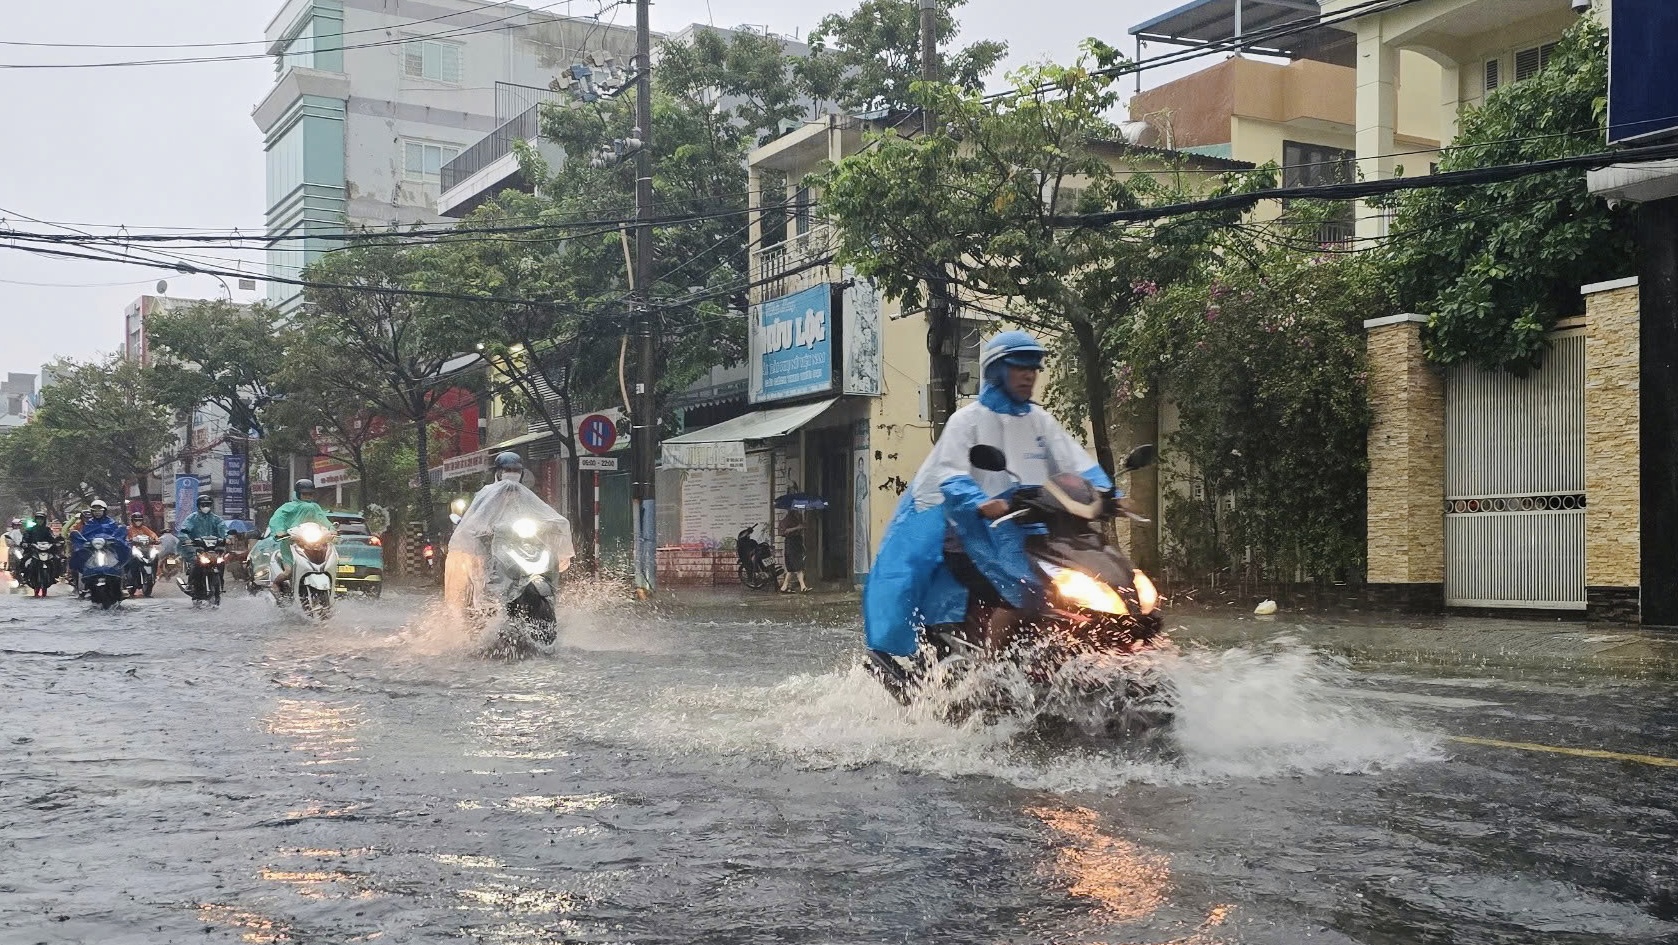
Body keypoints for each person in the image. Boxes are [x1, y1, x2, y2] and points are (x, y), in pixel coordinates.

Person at [862, 330, 1120, 657]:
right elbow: (950, 474)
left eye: (1033, 368)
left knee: (1075, 590)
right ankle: (990, 672)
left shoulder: (1040, 420)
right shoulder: (967, 421)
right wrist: (980, 502)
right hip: (975, 535)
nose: (1029, 375)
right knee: (1023, 592)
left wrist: (1110, 494)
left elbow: (1076, 463)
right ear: (997, 371)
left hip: (1032, 532)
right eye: (1019, 367)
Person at [264, 479, 335, 597]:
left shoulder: (315, 507)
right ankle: (275, 584)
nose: (308, 496)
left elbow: (323, 520)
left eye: (310, 494)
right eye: (304, 494)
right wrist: (279, 531)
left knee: (325, 567)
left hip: (313, 543)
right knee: (288, 572)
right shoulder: (288, 507)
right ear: (297, 494)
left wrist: (331, 529)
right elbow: (277, 519)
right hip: (291, 542)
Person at [70, 500, 130, 594]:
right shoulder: (89, 524)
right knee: (79, 557)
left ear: (104, 511)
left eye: (100, 510)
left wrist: (114, 540)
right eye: (95, 511)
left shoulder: (111, 523)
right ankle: (85, 585)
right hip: (92, 550)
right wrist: (83, 542)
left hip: (110, 549)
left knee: (124, 558)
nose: (97, 513)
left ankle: (123, 584)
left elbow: (118, 534)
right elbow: (84, 536)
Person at [178, 495, 229, 583]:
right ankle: (191, 584)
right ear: (199, 506)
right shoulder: (192, 518)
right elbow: (184, 530)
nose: (206, 507)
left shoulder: (216, 519)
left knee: (221, 562)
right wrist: (186, 539)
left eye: (208, 505)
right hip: (197, 548)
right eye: (203, 505)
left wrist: (227, 538)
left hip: (213, 548)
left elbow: (223, 529)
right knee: (196, 563)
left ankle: (220, 583)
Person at [21, 512, 60, 596]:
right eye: (38, 519)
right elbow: (25, 538)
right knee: (23, 559)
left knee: (57, 559)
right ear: (35, 520)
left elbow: (52, 538)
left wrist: (55, 543)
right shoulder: (30, 530)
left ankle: (55, 576)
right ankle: (25, 576)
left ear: (44, 520)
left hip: (46, 551)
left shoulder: (47, 530)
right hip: (33, 550)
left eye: (41, 519)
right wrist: (25, 543)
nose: (40, 521)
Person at [778, 510, 809, 593]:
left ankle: (784, 587)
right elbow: (784, 531)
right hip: (791, 543)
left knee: (791, 569)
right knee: (798, 566)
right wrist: (798, 527)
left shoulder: (797, 519)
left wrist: (802, 526)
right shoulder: (787, 520)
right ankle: (803, 586)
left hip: (797, 542)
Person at [3, 518, 23, 592]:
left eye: (18, 525)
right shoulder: (10, 533)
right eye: (15, 525)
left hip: (22, 549)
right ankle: (15, 573)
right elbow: (8, 541)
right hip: (14, 550)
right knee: (13, 565)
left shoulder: (23, 533)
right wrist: (12, 543)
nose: (17, 526)